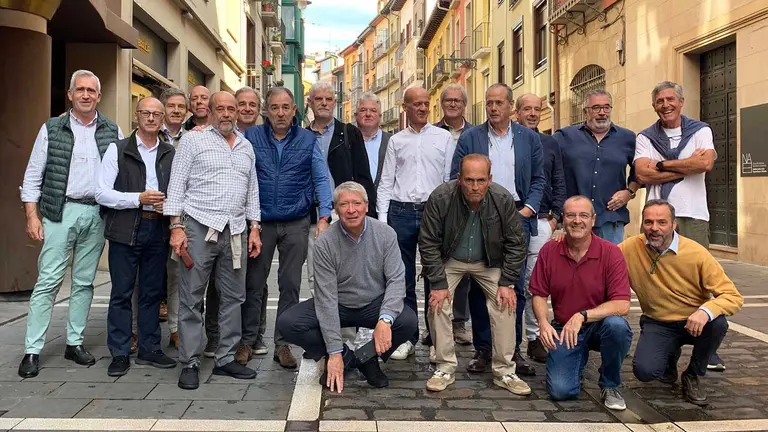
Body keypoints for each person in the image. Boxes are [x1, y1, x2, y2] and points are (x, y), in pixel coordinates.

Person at [18, 70, 123, 378]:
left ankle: (74, 343)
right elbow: (33, 174)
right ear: (70, 94)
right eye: (80, 90)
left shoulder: (112, 129)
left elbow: (120, 172)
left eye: (91, 90)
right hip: (59, 212)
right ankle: (32, 350)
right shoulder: (52, 128)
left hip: (97, 213)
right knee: (48, 281)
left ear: (99, 96)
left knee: (84, 282)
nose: (86, 95)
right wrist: (31, 215)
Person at [277, 181, 418, 392]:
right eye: (344, 204)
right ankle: (344, 355)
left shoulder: (386, 234)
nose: (351, 210)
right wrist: (334, 352)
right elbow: (326, 298)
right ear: (336, 209)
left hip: (373, 303)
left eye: (356, 203)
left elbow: (396, 281)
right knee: (288, 323)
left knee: (408, 321)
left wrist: (385, 319)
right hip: (338, 304)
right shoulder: (325, 242)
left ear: (366, 206)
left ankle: (367, 359)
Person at [165, 91, 263, 390]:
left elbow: (252, 190)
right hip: (199, 227)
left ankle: (226, 358)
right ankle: (190, 362)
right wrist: (176, 227)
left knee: (234, 297)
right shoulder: (193, 141)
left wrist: (255, 227)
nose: (227, 113)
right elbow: (176, 184)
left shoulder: (246, 146)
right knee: (192, 297)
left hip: (236, 230)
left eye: (232, 108)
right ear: (209, 111)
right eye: (220, 108)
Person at [451, 84, 545, 376]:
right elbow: (456, 177)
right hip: (480, 214)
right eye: (489, 102)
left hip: (519, 213)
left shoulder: (529, 138)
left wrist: (527, 210)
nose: (493, 108)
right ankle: (483, 349)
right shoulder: (471, 137)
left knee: (513, 285)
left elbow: (539, 179)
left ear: (510, 106)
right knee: (480, 285)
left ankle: (512, 350)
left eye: (498, 103)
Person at [633, 82, 726, 371]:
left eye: (670, 99)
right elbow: (641, 173)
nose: (665, 105)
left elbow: (705, 164)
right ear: (654, 106)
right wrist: (685, 165)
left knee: (701, 279)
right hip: (657, 216)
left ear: (681, 102)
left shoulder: (700, 130)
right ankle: (666, 339)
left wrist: (661, 165)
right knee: (658, 277)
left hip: (693, 214)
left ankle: (707, 346)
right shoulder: (645, 136)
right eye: (659, 101)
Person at [419, 154, 530, 394]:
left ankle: (505, 370)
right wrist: (438, 283)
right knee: (438, 302)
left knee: (506, 302)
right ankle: (444, 366)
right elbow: (428, 242)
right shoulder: (441, 197)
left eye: (481, 180)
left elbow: (516, 243)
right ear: (459, 178)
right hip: (451, 259)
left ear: (490, 179)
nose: (475, 186)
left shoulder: (502, 199)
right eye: (469, 180)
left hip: (488, 261)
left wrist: (507, 282)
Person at [242, 87, 333, 369]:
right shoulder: (252, 136)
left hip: (296, 220)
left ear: (294, 110)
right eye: (274, 107)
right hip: (261, 222)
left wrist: (325, 216)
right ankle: (248, 340)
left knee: (290, 284)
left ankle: (283, 344)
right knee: (254, 283)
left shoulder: (308, 139)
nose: (280, 113)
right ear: (266, 111)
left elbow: (321, 178)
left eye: (285, 107)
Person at [619, 200, 743, 405]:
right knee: (645, 372)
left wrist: (705, 311)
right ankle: (669, 358)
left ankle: (693, 374)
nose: (654, 228)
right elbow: (601, 257)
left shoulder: (697, 253)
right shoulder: (629, 248)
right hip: (658, 322)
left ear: (674, 224)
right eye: (648, 222)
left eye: (662, 222)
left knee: (718, 323)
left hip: (695, 323)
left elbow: (733, 296)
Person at [96, 97, 177, 376]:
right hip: (125, 227)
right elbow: (101, 193)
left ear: (163, 119)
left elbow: (178, 190)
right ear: (136, 115)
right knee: (122, 292)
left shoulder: (169, 152)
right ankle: (119, 352)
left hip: (158, 228)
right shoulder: (118, 149)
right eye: (146, 113)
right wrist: (137, 199)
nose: (151, 118)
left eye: (156, 114)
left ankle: (149, 348)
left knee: (152, 292)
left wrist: (170, 206)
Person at [529, 196, 632, 410]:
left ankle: (610, 384)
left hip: (600, 325)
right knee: (560, 391)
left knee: (618, 327)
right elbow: (538, 293)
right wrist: (543, 323)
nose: (577, 220)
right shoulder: (549, 250)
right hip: (564, 328)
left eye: (583, 215)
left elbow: (622, 304)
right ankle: (577, 360)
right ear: (563, 219)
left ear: (593, 220)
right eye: (571, 215)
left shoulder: (610, 252)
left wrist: (582, 316)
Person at [376, 87, 453, 360]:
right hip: (401, 212)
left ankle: (435, 338)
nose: (422, 108)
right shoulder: (396, 141)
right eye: (416, 104)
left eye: (425, 103)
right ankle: (407, 337)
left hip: (434, 212)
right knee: (402, 277)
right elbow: (386, 181)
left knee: (436, 276)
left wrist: (448, 216)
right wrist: (383, 221)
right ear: (405, 107)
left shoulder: (444, 138)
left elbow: (448, 181)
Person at [306, 81, 377, 296]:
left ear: (334, 103)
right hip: (313, 214)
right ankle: (322, 316)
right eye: (319, 99)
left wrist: (368, 215)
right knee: (316, 274)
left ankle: (347, 318)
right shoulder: (302, 136)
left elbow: (363, 176)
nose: (324, 103)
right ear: (310, 102)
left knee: (349, 273)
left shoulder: (349, 133)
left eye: (328, 99)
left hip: (345, 212)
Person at [514, 93, 566, 364]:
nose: (533, 113)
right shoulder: (508, 140)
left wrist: (556, 218)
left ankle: (534, 338)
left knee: (535, 284)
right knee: (510, 283)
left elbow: (559, 180)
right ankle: (510, 343)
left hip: (542, 220)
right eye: (527, 109)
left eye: (537, 109)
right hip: (511, 220)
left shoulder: (550, 143)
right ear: (517, 112)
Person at [553, 89, 640, 245]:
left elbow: (639, 172)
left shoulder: (627, 138)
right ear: (585, 111)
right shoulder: (565, 137)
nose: (602, 112)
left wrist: (629, 192)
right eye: (596, 108)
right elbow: (548, 169)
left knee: (609, 260)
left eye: (606, 107)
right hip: (574, 220)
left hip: (610, 219)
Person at [430, 83, 474, 348]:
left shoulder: (476, 133)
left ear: (464, 105)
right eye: (448, 100)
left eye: (458, 100)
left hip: (469, 206)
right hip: (441, 205)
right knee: (436, 265)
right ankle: (434, 325)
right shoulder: (432, 132)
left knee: (465, 267)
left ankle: (458, 322)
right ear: (442, 104)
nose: (453, 104)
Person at [158, 87, 189, 350]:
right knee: (145, 277)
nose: (176, 111)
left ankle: (176, 329)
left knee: (176, 275)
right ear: (163, 108)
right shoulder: (146, 133)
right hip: (151, 213)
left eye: (181, 107)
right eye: (171, 106)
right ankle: (136, 330)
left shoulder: (192, 138)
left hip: (181, 216)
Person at [356, 92, 392, 188]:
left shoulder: (392, 141)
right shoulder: (346, 141)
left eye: (373, 110)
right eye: (363, 110)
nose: (368, 114)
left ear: (380, 116)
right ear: (356, 115)